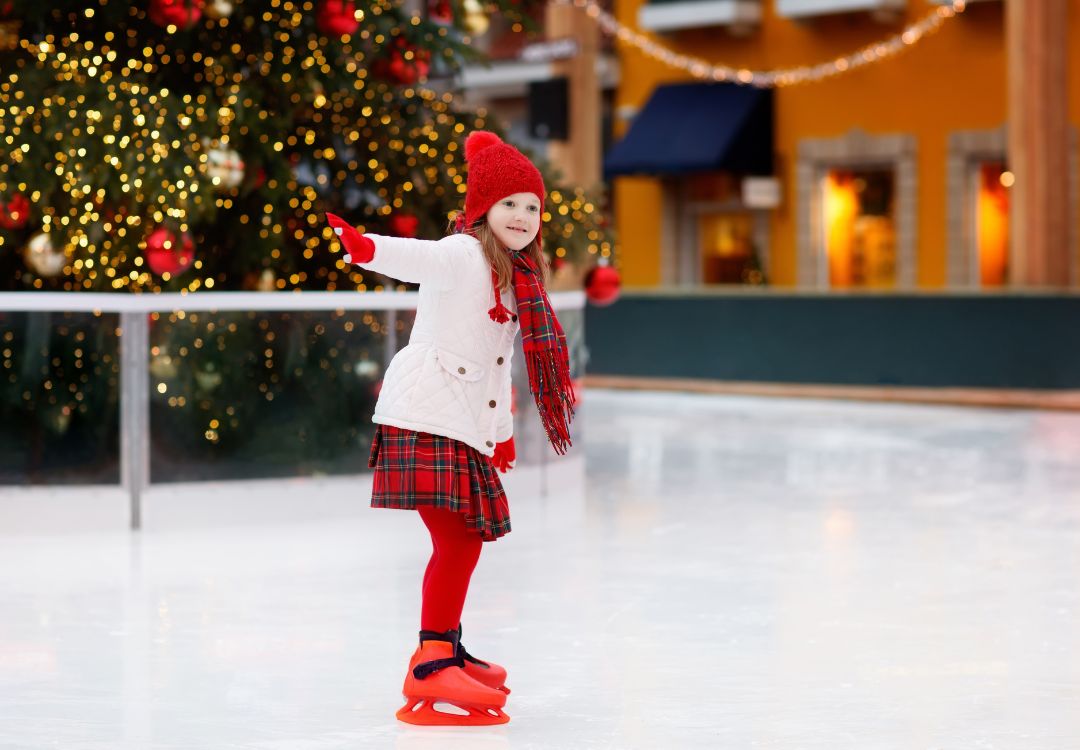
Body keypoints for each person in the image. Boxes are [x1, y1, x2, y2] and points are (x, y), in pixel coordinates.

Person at [324, 130, 575, 726]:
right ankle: (432, 662)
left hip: (455, 422)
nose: (521, 215)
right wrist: (366, 249)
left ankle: (446, 648)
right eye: (509, 203)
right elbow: (419, 257)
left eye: (532, 206)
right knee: (459, 540)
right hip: (424, 417)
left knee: (461, 540)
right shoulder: (465, 254)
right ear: (483, 210)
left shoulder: (519, 279)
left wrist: (502, 431)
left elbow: (494, 366)